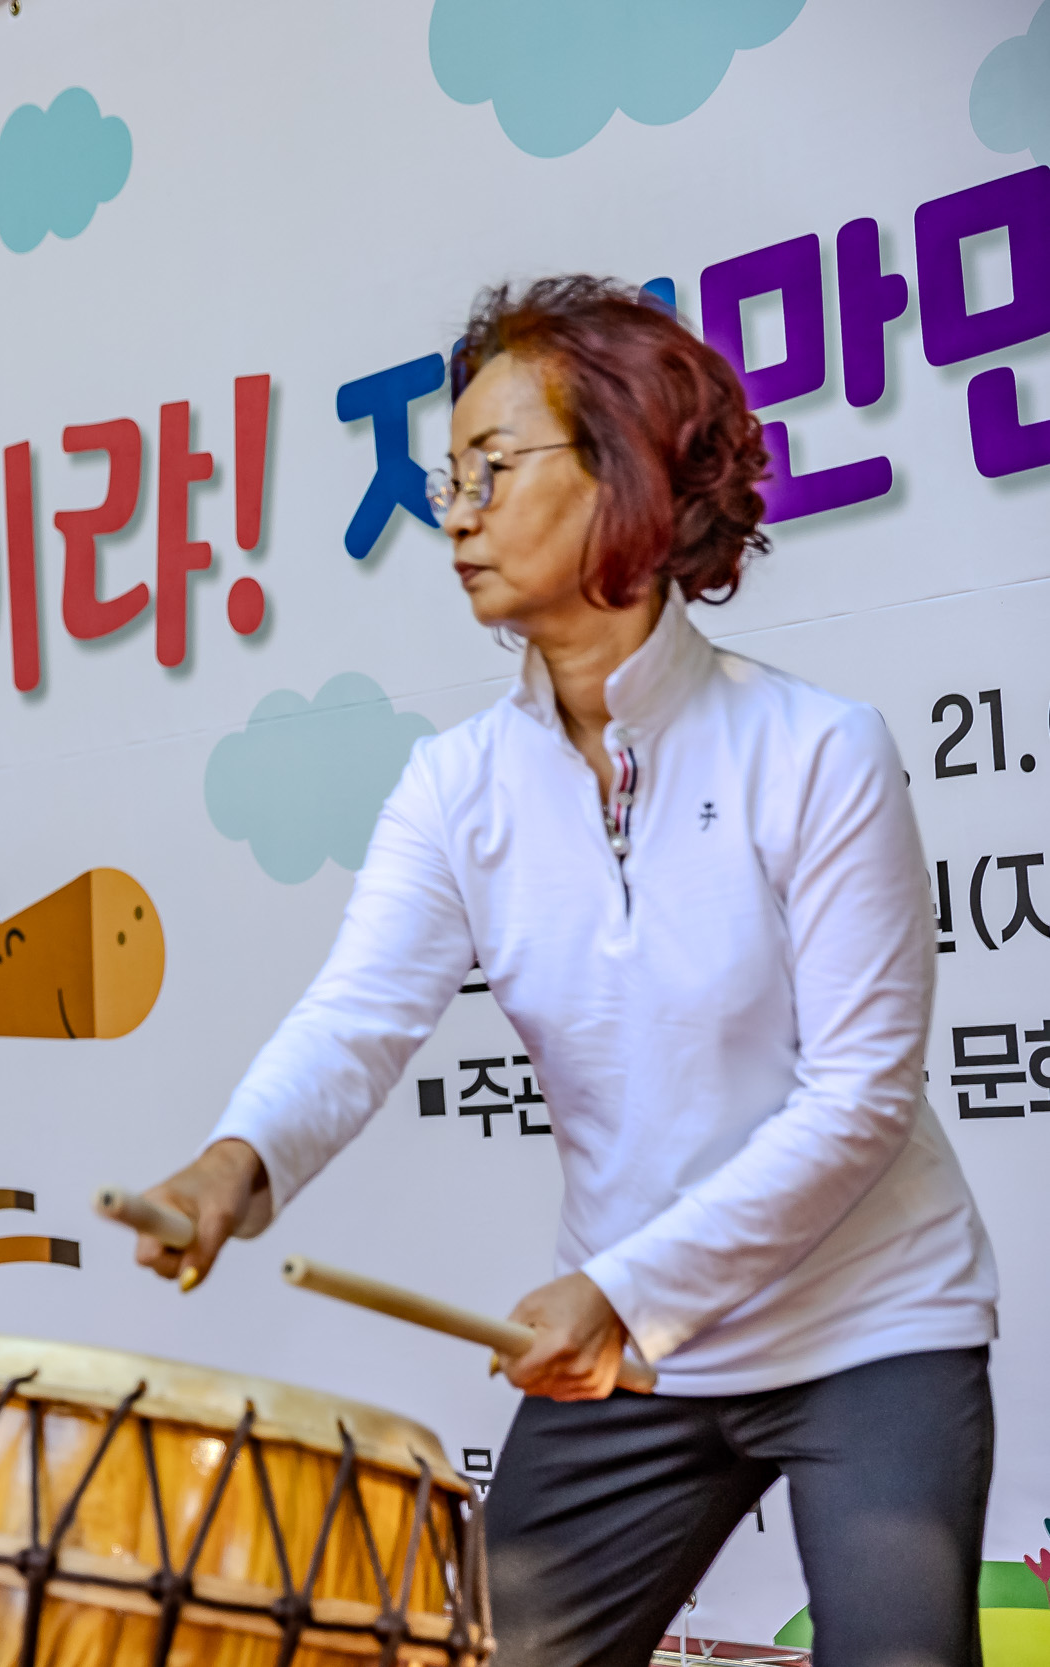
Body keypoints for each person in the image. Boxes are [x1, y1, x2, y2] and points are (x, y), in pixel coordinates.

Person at [131, 277, 995, 1667]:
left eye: (493, 469)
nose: (454, 513)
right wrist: (232, 1165)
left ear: (630, 477)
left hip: (865, 1318)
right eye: (445, 477)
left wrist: (621, 1287)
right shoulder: (457, 783)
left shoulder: (817, 750)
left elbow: (859, 1100)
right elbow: (358, 1016)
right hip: (635, 1351)